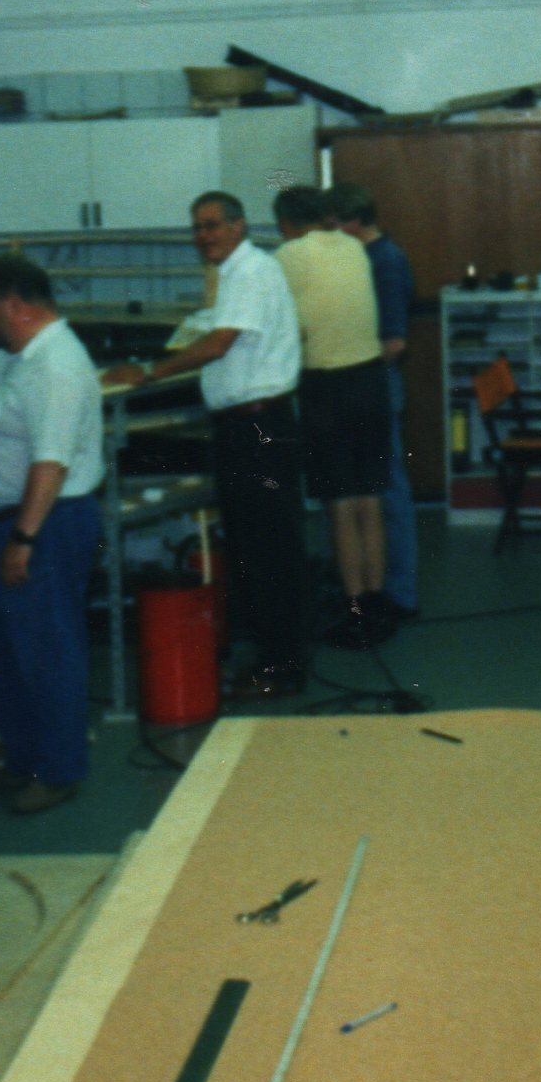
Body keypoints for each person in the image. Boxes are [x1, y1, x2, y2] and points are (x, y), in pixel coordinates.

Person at [104, 193, 308, 700]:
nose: (204, 236)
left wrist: (151, 371)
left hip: (258, 428)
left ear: (239, 226)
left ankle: (280, 669)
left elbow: (219, 344)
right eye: (197, 227)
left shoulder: (248, 272)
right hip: (252, 425)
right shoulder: (240, 272)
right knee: (258, 547)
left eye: (213, 225)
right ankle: (274, 659)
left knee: (266, 549)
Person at [0, 253, 103, 817]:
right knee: (9, 652)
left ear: (15, 305)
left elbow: (51, 463)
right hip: (7, 522)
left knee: (47, 652)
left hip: (45, 524)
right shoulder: (15, 359)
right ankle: (24, 757)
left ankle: (59, 770)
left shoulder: (57, 366)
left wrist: (24, 539)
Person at [272, 185, 395, 647]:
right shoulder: (352, 247)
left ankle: (355, 611)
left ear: (286, 224)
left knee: (340, 504)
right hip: (370, 381)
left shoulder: (286, 256)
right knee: (369, 499)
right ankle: (378, 607)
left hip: (327, 388)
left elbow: (285, 326)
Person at [329, 181, 419, 620]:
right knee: (368, 493)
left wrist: (348, 367)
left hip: (376, 388)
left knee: (388, 493)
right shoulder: (361, 257)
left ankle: (400, 594)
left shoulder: (385, 261)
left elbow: (394, 342)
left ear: (352, 221)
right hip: (363, 387)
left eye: (334, 225)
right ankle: (373, 589)